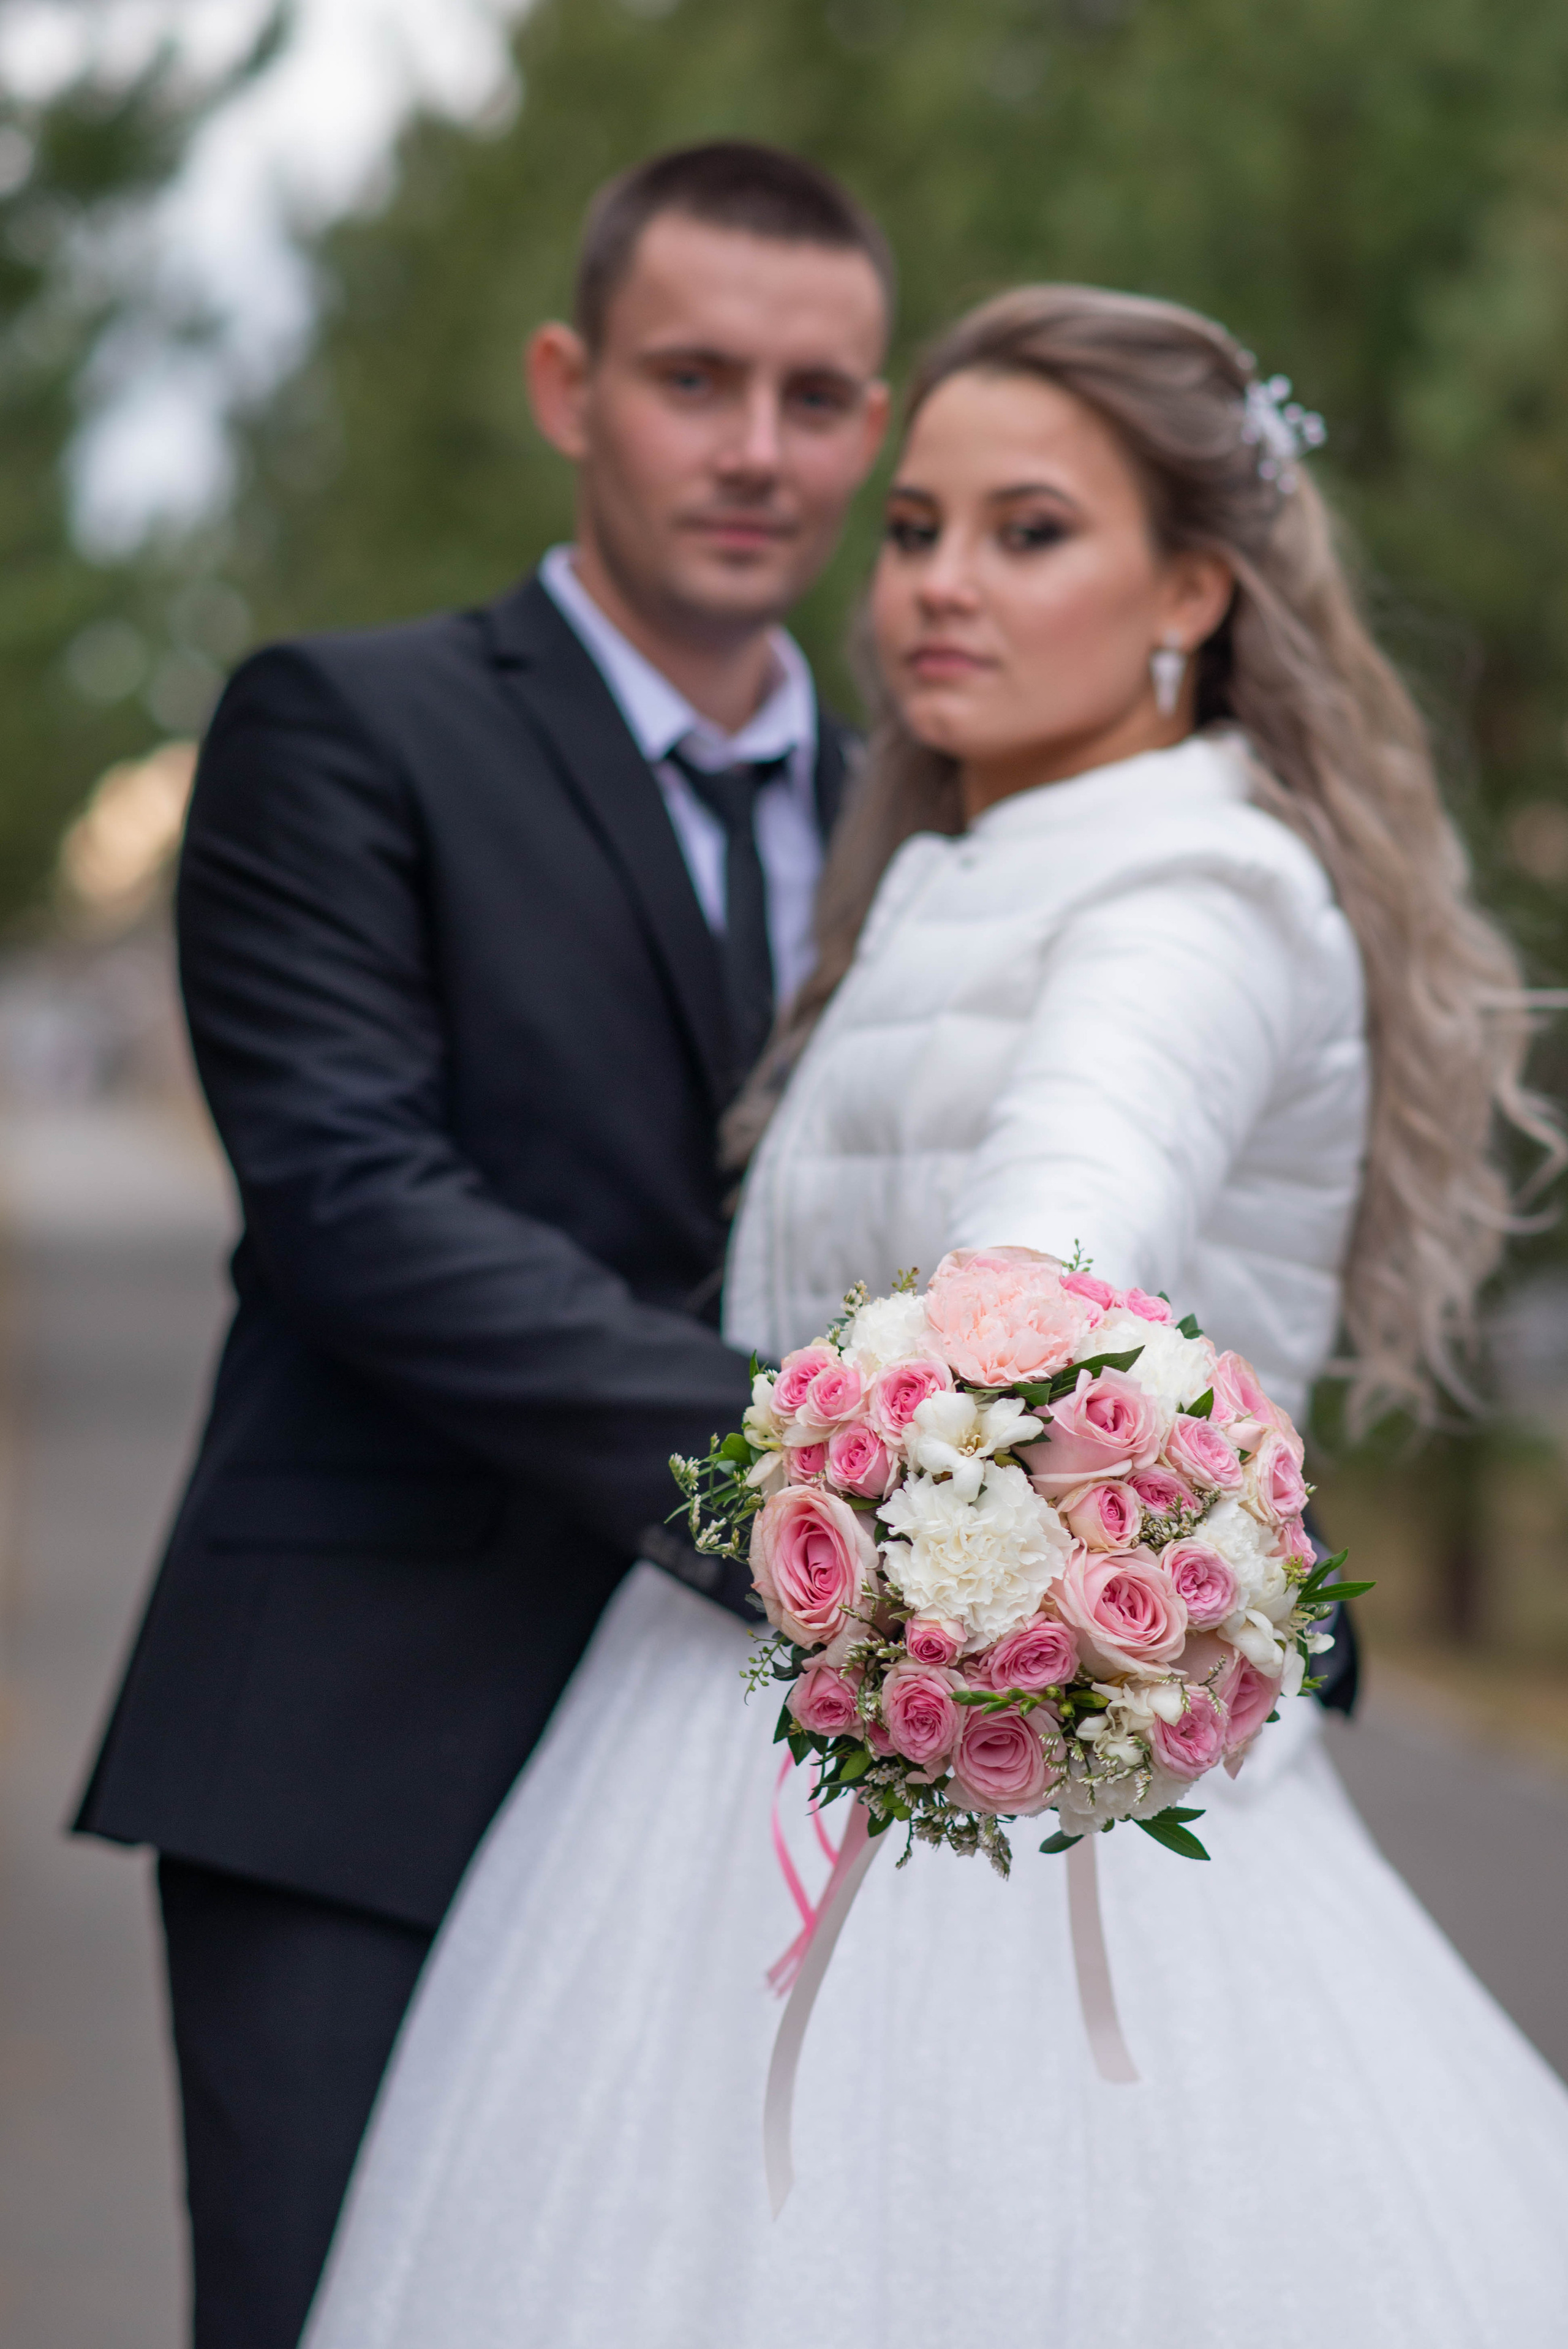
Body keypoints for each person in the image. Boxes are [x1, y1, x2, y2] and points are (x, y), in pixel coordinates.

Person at [300, 286, 1568, 2349]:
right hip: (736, 1745)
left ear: (1193, 588)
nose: (938, 588)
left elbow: (1079, 1185)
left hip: (1021, 1821)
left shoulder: (1195, 896)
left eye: (1026, 531)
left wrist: (1006, 1330)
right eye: (914, 530)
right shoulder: (965, 863)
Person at [70, 141, 892, 2349]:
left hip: (783, 1766)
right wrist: (841, 1477)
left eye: (816, 398)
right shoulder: (349, 726)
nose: (754, 450)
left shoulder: (943, 799)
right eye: (693, 378)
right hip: (370, 1729)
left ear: (876, 427)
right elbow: (355, 1200)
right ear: (566, 383)